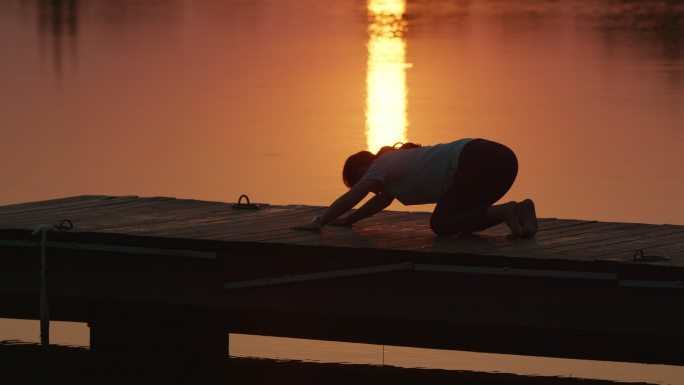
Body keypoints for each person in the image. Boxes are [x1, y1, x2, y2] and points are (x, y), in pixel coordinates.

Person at [292, 138, 538, 239]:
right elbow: (380, 201)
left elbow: (353, 196)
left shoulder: (382, 163)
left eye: (359, 177)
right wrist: (349, 220)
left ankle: (506, 212)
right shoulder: (394, 171)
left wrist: (319, 221)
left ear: (364, 165)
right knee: (461, 216)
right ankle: (522, 214)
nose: (364, 184)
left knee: (441, 223)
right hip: (505, 159)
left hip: (477, 157)